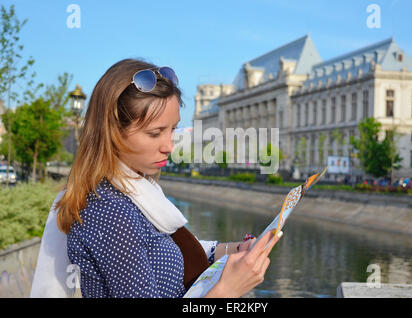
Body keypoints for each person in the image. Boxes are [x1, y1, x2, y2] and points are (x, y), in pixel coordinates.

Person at [31, 58, 282, 298]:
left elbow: (167, 255)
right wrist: (228, 289)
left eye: (172, 129)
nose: (169, 146)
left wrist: (232, 251)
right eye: (155, 133)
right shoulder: (110, 211)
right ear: (112, 132)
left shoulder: (137, 191)